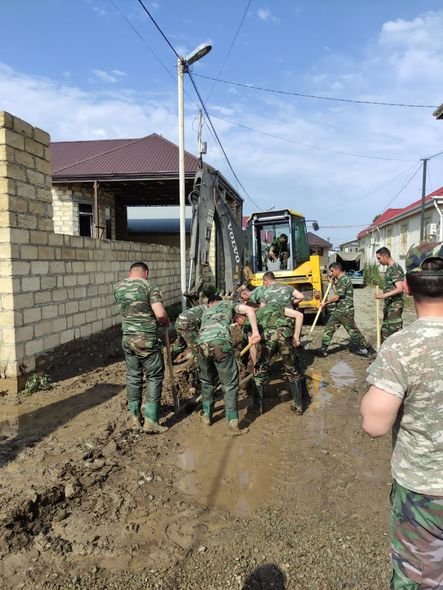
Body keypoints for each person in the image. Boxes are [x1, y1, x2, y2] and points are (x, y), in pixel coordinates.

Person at [361, 241, 443, 590]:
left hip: (424, 490)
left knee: (417, 579)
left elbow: (375, 425)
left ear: (407, 286)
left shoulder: (400, 347)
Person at [113, 261, 170, 434]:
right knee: (154, 375)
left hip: (127, 338)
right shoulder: (149, 286)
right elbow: (159, 314)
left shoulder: (118, 287)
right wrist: (166, 322)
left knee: (133, 376)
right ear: (146, 273)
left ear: (130, 273)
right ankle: (151, 420)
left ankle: (135, 417)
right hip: (146, 339)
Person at [196, 294, 261, 435]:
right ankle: (233, 424)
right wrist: (255, 332)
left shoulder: (206, 311)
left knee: (206, 381)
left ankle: (207, 416)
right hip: (220, 343)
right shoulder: (229, 304)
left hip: (201, 345)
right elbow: (250, 310)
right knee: (230, 385)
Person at [318, 262, 375, 357]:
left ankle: (369, 350)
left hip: (345, 311)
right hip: (339, 310)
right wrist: (332, 285)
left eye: (332, 271)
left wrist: (325, 303)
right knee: (329, 328)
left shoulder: (344, 280)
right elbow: (339, 294)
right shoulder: (339, 280)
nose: (331, 273)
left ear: (337, 270)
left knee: (353, 332)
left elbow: (336, 297)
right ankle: (323, 349)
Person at [375, 247, 405, 341]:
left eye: (379, 258)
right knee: (385, 331)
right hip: (389, 304)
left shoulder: (395, 268)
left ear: (386, 256)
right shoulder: (389, 268)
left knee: (393, 332)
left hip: (395, 305)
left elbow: (400, 288)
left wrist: (383, 296)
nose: (378, 261)